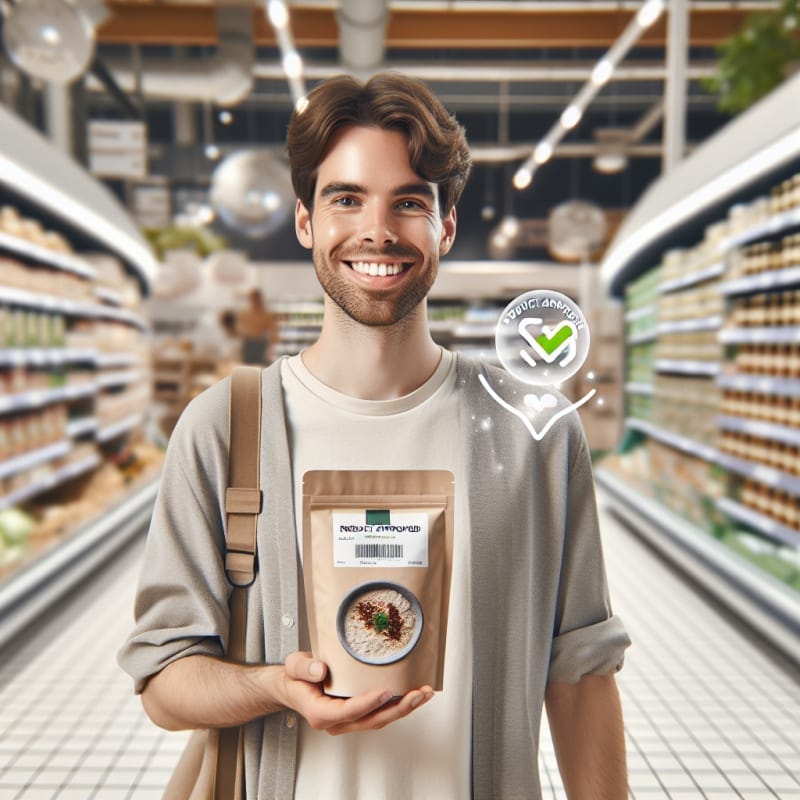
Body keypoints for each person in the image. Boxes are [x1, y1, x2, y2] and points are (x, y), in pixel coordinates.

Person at [119, 72, 631, 799]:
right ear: (306, 221)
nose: (378, 231)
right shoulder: (226, 427)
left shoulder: (533, 432)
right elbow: (163, 682)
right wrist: (276, 686)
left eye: (410, 201)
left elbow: (580, 672)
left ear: (446, 226)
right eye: (347, 198)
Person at [237, 287, 281, 364]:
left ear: (260, 298)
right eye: (252, 298)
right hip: (248, 343)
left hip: (260, 344)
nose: (254, 300)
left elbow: (274, 331)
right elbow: (239, 329)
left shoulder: (267, 313)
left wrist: (272, 348)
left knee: (259, 367)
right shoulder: (244, 313)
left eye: (256, 298)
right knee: (246, 366)